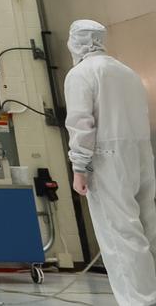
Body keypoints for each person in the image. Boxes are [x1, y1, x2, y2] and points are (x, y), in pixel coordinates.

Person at [65, 19, 156, 306]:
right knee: (148, 227)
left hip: (107, 159)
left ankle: (139, 301)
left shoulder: (80, 74)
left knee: (120, 235)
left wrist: (79, 167)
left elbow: (81, 124)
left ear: (76, 42)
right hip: (141, 155)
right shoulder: (127, 72)